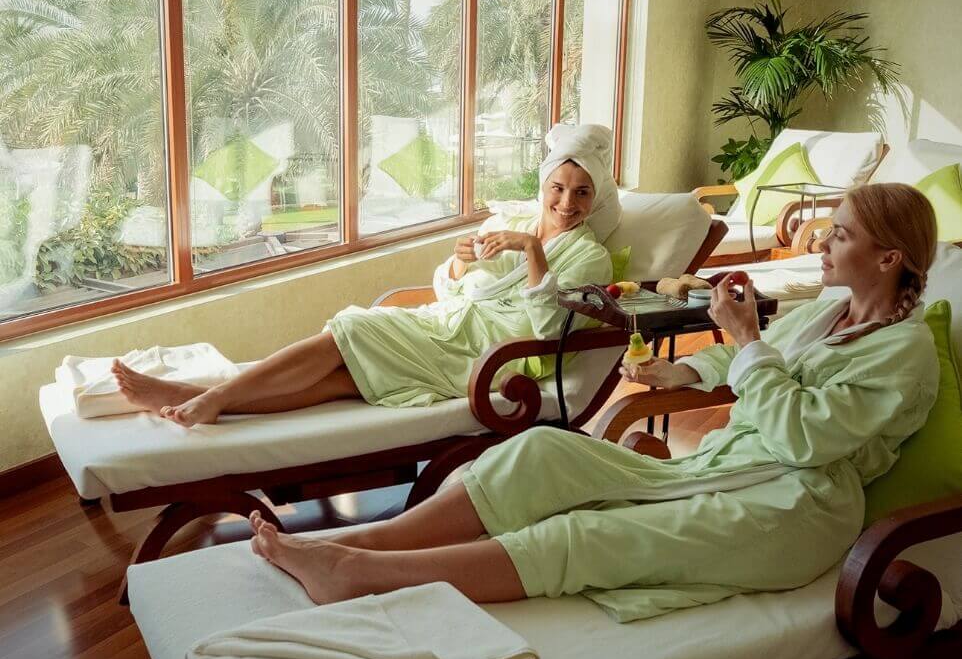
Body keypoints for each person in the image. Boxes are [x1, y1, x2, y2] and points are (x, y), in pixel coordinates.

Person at [246, 182, 940, 623]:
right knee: (542, 451)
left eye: (841, 233)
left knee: (590, 537)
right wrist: (696, 371)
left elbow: (806, 440)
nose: (821, 241)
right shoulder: (829, 312)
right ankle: (351, 540)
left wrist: (750, 342)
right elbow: (755, 357)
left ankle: (360, 574)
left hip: (792, 506)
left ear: (888, 259)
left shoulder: (903, 354)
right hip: (726, 466)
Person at [112, 123, 618, 427]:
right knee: (339, 381)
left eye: (581, 193)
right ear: (543, 186)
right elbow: (451, 287)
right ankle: (196, 398)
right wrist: (461, 261)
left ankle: (215, 396)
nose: (565, 203)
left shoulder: (591, 258)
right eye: (558, 187)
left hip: (485, 357)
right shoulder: (508, 222)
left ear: (595, 199)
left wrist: (534, 253)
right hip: (443, 328)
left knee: (351, 329)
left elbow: (553, 331)